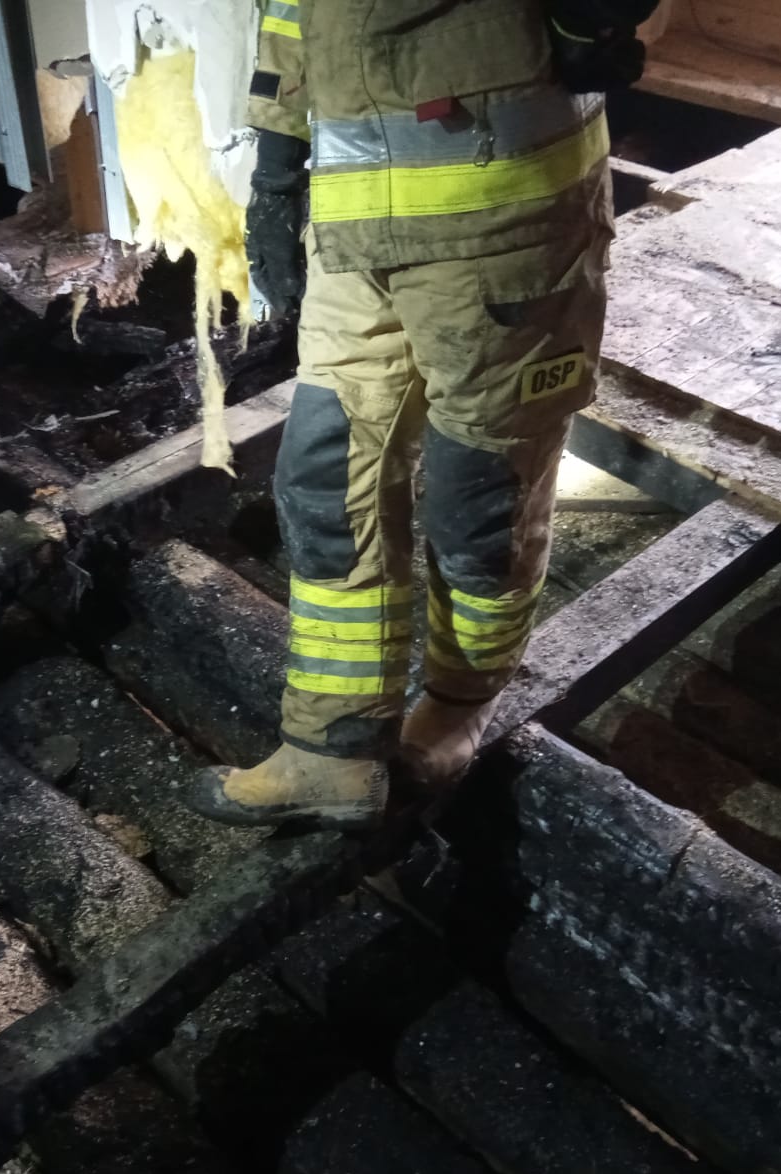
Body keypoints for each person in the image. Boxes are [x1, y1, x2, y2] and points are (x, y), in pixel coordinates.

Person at [190, 0, 658, 829]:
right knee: (324, 474)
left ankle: (458, 702)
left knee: (479, 495)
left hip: (507, 223)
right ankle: (332, 750)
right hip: (354, 231)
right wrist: (276, 167)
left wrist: (592, 18)